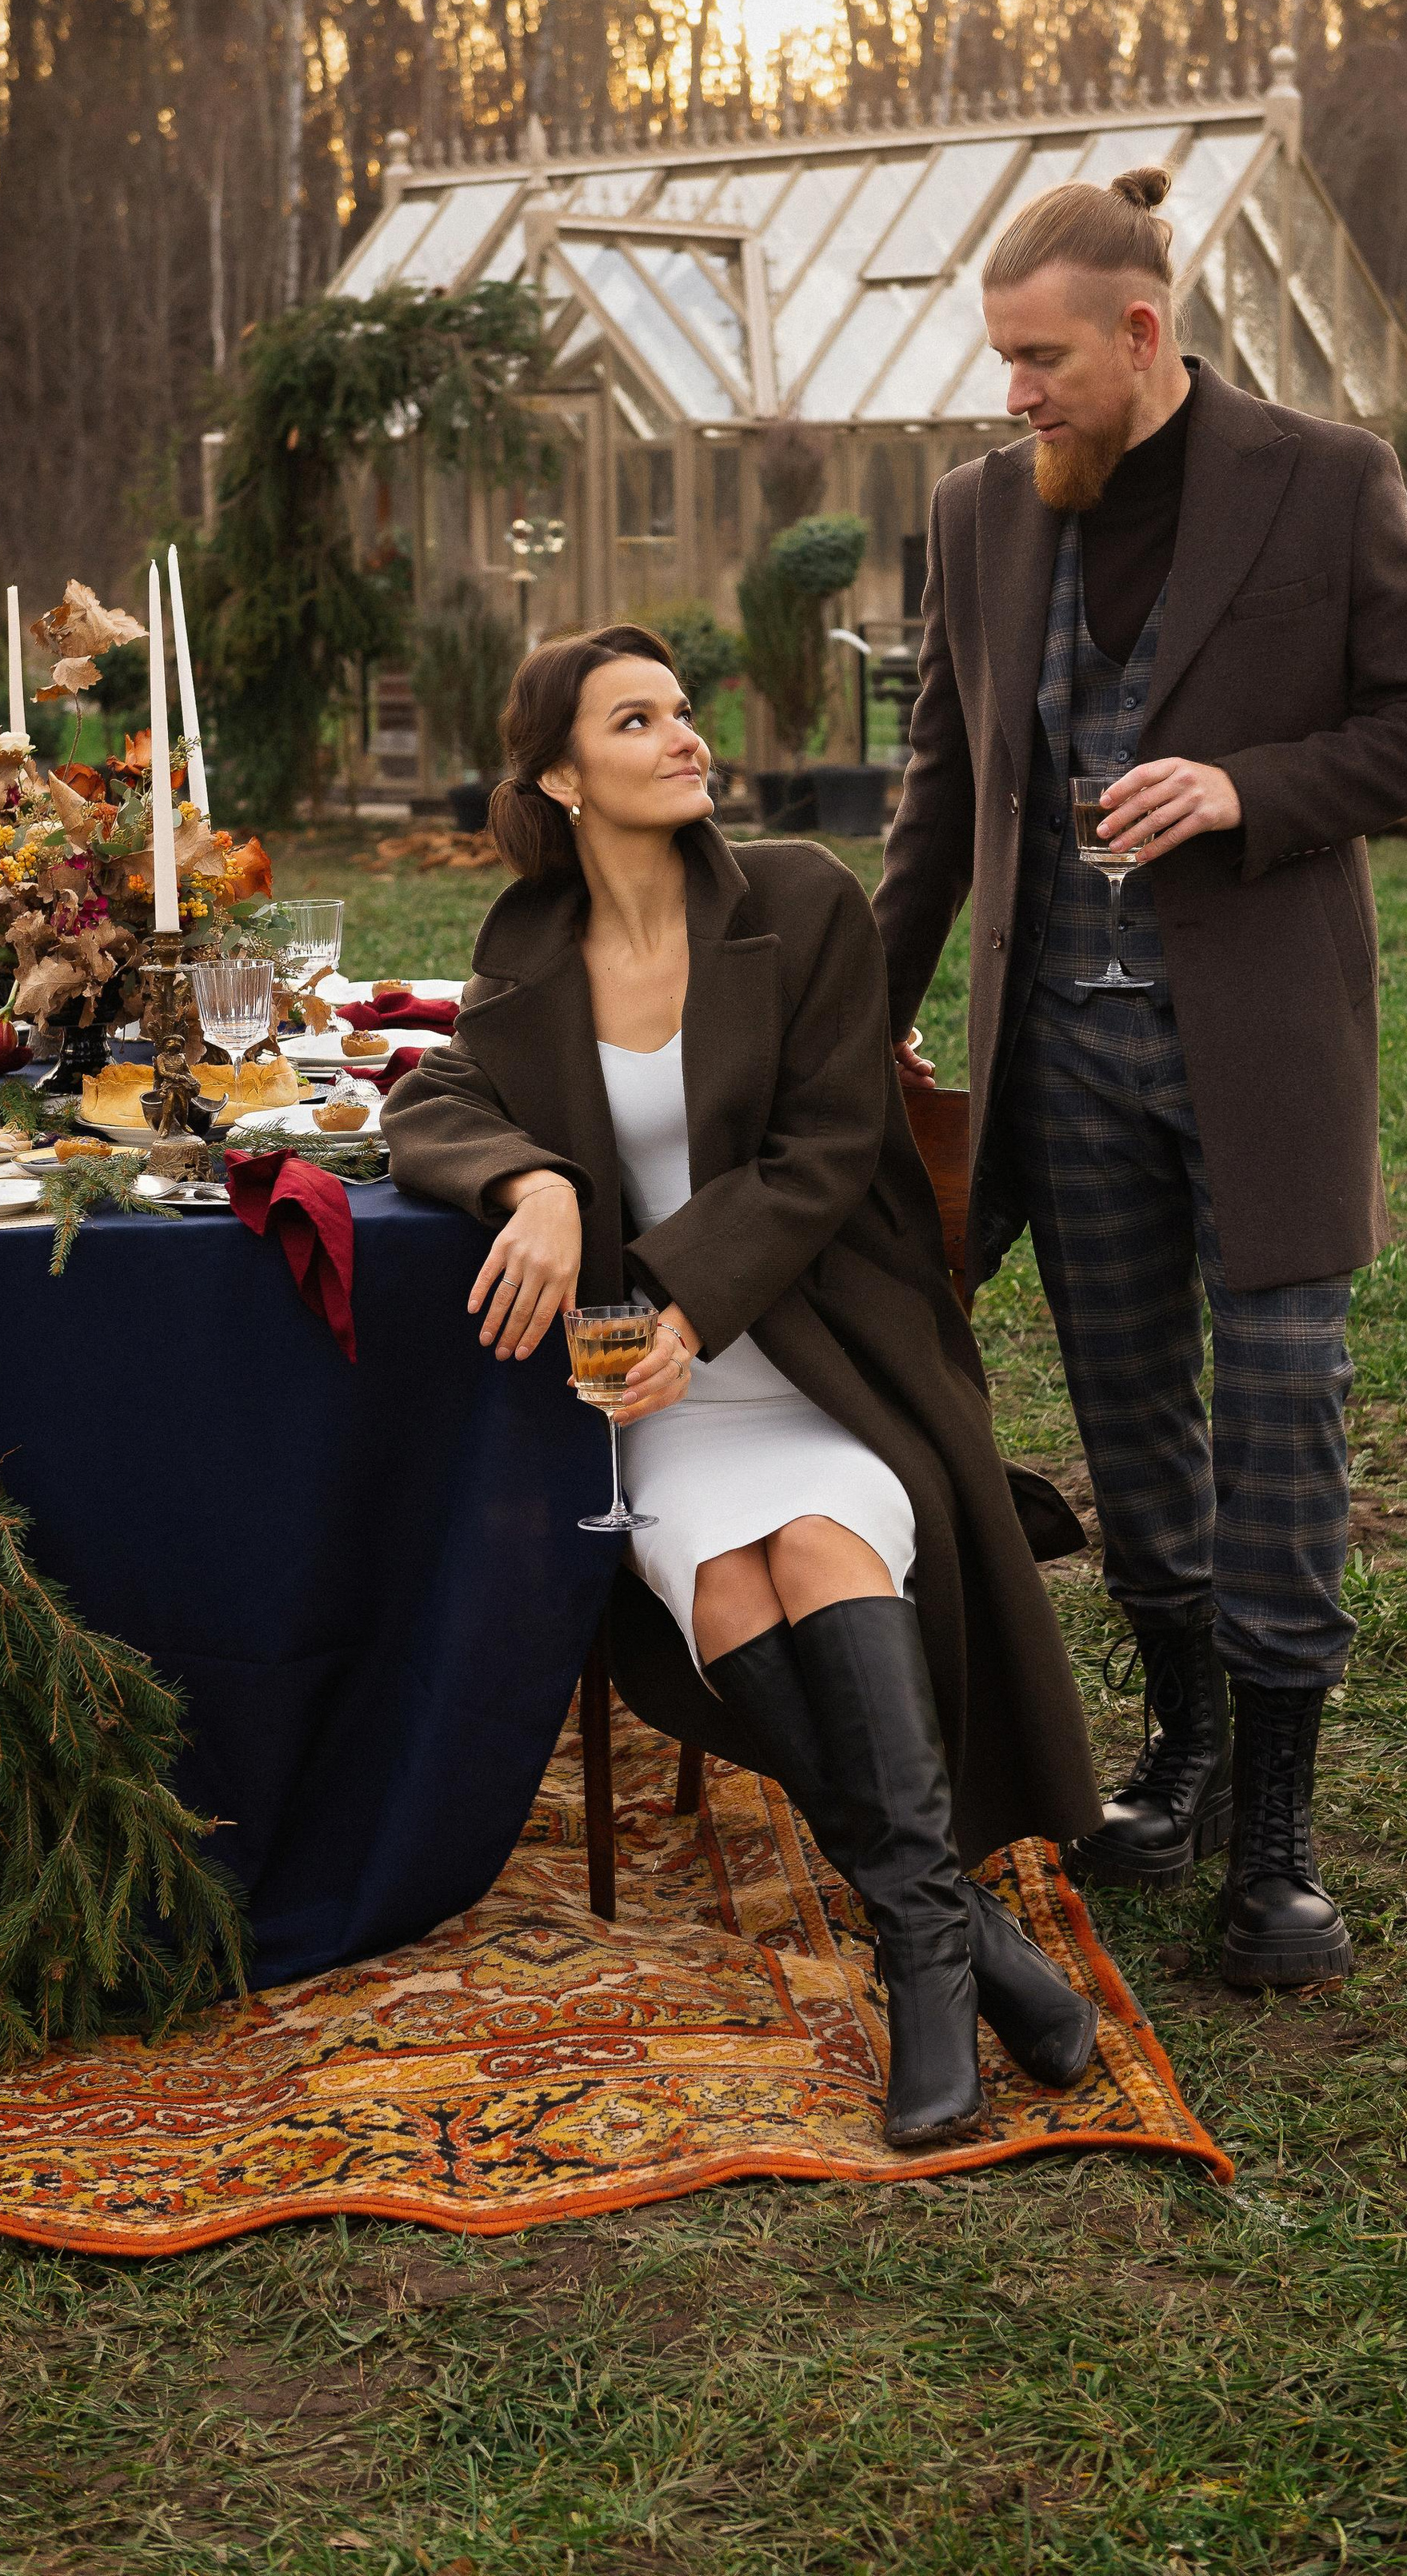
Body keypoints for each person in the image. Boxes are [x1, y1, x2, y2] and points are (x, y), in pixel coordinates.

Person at [870, 168, 1407, 1991]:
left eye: (1041, 358)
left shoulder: (1325, 478)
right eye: (998, 360)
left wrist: (1241, 790)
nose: (1012, 394)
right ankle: (1186, 1745)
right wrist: (856, 1016)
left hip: (1264, 1049)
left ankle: (1279, 1828)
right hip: (1052, 1051)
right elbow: (936, 804)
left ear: (1141, 335)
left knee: (1281, 1413)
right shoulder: (977, 515)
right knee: (1131, 1422)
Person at [383, 623, 1105, 2151]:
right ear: (560, 775)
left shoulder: (798, 899)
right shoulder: (526, 943)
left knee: (821, 1554)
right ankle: (960, 1938)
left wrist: (684, 1298)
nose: (683, 738)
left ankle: (921, 1952)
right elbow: (433, 1090)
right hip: (659, 1411)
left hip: (821, 1366)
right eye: (635, 721)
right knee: (728, 1598)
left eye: (684, 712)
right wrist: (533, 1183)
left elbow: (832, 1149)